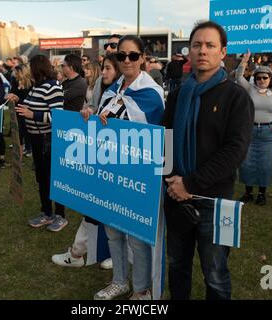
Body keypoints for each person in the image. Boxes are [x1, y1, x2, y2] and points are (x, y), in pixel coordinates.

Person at [161, 21, 254, 300]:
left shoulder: (235, 96)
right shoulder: (178, 95)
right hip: (175, 196)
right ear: (189, 51)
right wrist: (170, 181)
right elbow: (165, 139)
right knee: (177, 266)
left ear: (222, 52)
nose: (202, 50)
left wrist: (190, 183)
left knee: (215, 274)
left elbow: (234, 151)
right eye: (197, 45)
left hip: (215, 201)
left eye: (210, 45)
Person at [93, 35, 165, 301]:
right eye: (121, 55)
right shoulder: (113, 89)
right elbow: (102, 123)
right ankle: (119, 281)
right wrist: (90, 115)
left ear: (143, 58)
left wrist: (108, 117)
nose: (126, 60)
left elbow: (143, 123)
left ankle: (142, 289)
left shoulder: (151, 91)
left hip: (138, 173)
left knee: (136, 236)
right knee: (112, 230)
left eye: (133, 55)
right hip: (111, 170)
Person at [52, 53, 121, 270]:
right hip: (100, 158)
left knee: (112, 210)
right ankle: (78, 252)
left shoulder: (132, 92)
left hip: (117, 162)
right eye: (104, 67)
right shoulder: (103, 86)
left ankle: (110, 254)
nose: (104, 72)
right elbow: (92, 106)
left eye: (109, 68)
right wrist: (89, 112)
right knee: (93, 207)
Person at [12, 55, 67, 232]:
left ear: (37, 68)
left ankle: (60, 215)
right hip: (36, 139)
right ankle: (46, 212)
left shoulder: (53, 87)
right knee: (41, 178)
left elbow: (58, 117)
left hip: (48, 140)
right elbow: (32, 107)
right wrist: (18, 101)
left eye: (30, 67)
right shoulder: (37, 87)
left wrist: (32, 115)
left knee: (53, 178)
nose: (27, 70)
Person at [235, 51, 272, 205]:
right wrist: (244, 62)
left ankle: (261, 194)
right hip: (250, 131)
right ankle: (248, 192)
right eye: (258, 77)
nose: (261, 80)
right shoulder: (250, 89)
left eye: (265, 77)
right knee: (247, 162)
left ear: (270, 78)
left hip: (268, 133)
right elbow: (238, 77)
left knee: (265, 163)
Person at [6, 64, 33, 158]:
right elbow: (11, 92)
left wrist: (18, 99)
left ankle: (29, 149)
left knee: (28, 133)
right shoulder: (15, 82)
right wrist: (9, 96)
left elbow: (29, 102)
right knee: (19, 134)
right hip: (17, 111)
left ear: (22, 73)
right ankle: (19, 158)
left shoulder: (31, 84)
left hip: (28, 112)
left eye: (17, 73)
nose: (15, 75)